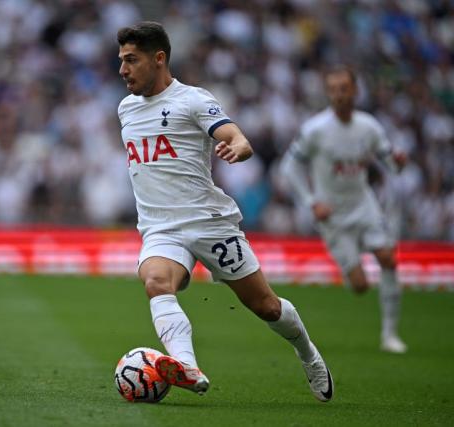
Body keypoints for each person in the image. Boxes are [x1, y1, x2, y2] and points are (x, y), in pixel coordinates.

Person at [116, 21, 333, 402]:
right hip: (161, 229)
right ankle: (187, 366)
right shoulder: (126, 109)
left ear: (159, 58)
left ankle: (307, 353)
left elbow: (235, 136)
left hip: (208, 224)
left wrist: (240, 148)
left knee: (265, 307)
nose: (123, 70)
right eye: (121, 60)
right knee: (156, 283)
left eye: (131, 60)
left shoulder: (193, 100)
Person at [280, 66, 407, 354]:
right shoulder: (315, 129)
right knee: (360, 285)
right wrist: (312, 201)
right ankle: (355, 269)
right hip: (333, 215)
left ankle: (390, 335)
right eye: (334, 89)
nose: (339, 94)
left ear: (355, 90)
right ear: (328, 93)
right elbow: (290, 167)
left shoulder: (369, 126)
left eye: (344, 88)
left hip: (364, 204)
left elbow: (391, 164)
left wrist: (399, 161)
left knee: (388, 259)